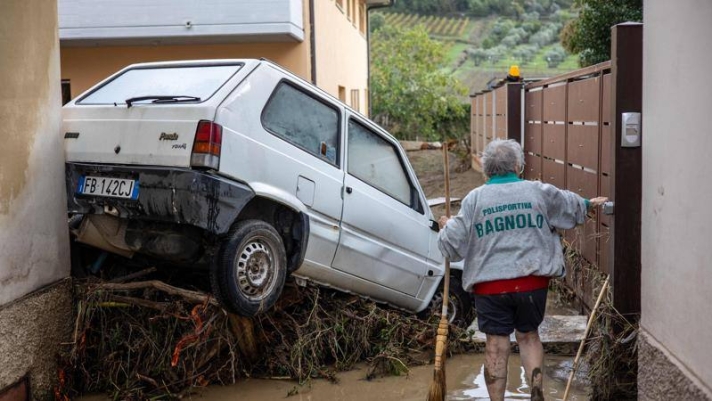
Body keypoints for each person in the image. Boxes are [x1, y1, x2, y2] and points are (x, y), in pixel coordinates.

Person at [437, 139, 606, 401]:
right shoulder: (537, 191)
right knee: (528, 336)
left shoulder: (474, 200)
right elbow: (569, 205)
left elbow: (452, 246)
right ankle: (536, 392)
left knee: (496, 343)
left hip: (490, 286)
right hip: (532, 284)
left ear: (487, 169)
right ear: (517, 165)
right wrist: (588, 204)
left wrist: (445, 227)